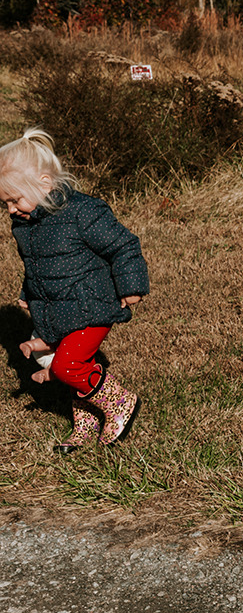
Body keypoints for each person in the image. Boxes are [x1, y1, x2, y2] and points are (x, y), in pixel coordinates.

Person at [0, 128, 150, 454]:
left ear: (43, 183)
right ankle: (86, 421)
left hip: (91, 304)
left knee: (68, 366)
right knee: (69, 365)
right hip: (57, 307)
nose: (11, 209)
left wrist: (131, 285)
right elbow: (37, 264)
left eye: (15, 199)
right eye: (5, 203)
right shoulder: (24, 224)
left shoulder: (83, 211)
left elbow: (124, 246)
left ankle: (120, 401)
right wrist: (30, 292)